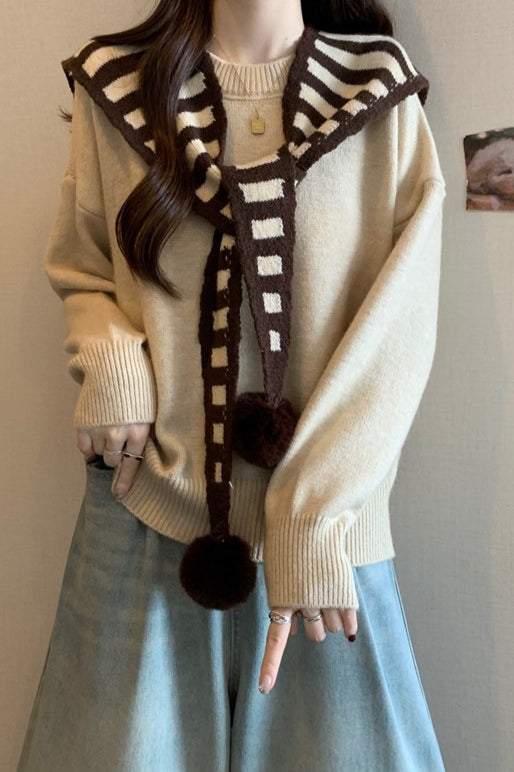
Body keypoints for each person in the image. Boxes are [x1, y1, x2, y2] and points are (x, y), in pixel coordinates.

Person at [18, 0, 447, 769]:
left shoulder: (377, 93)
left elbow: (399, 333)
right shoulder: (117, 88)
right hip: (144, 515)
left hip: (327, 540)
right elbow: (83, 265)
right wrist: (112, 362)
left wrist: (314, 517)